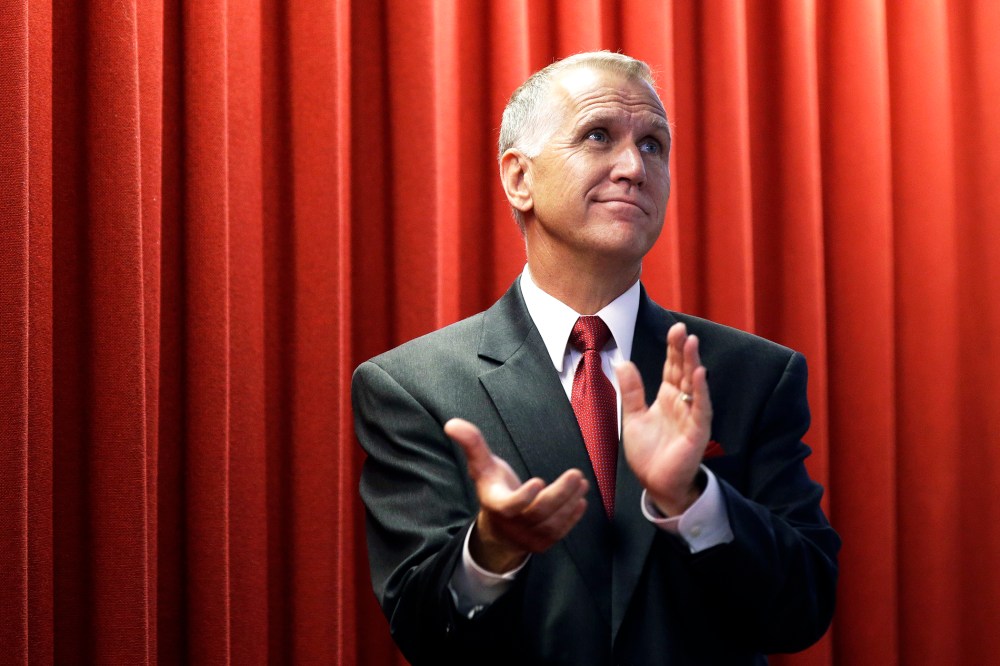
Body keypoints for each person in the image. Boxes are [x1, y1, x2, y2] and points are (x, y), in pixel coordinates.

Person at [353, 51, 840, 665]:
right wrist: (493, 550)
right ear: (519, 178)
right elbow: (423, 631)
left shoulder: (753, 376)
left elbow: (803, 610)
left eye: (654, 145)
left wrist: (693, 499)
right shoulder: (411, 386)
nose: (634, 167)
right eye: (598, 135)